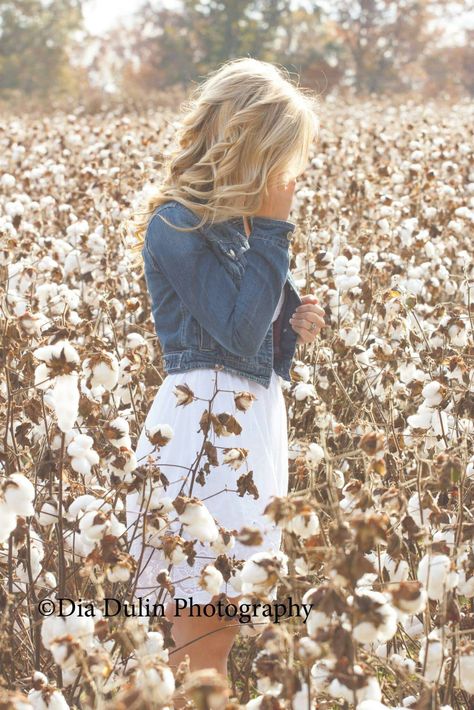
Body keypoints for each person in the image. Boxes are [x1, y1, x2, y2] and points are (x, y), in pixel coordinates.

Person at [125, 57, 325, 690]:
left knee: (221, 638)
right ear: (245, 145)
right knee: (202, 647)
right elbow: (232, 338)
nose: (288, 176)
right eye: (282, 157)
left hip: (246, 428)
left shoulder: (236, 230)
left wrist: (291, 332)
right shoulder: (177, 223)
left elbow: (254, 352)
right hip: (202, 432)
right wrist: (272, 228)